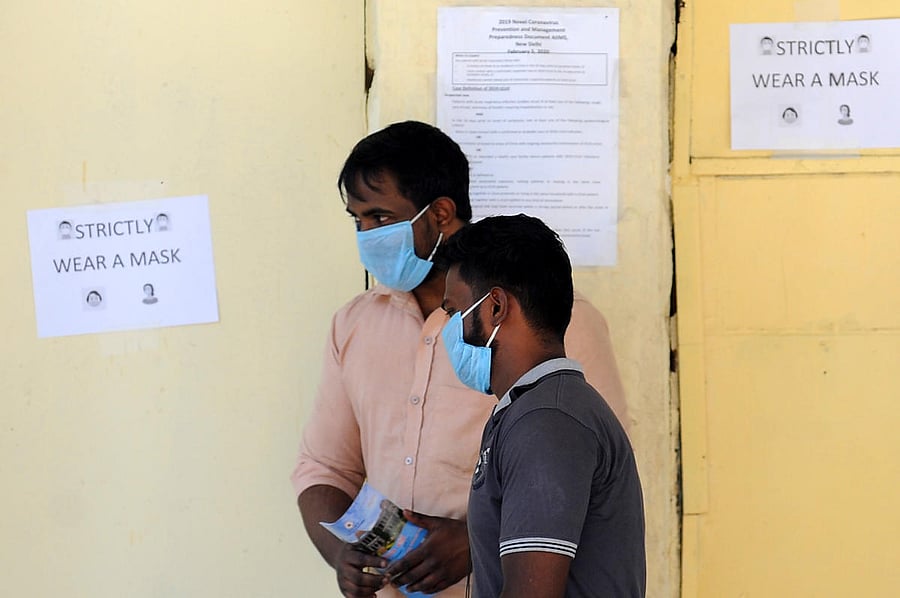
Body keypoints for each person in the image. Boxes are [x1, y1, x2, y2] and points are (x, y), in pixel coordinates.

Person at [291, 121, 628, 598]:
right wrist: (342, 554)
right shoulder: (354, 325)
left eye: (382, 218)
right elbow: (323, 469)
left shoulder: (555, 323)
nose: (367, 235)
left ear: (442, 214)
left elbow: (593, 478)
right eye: (357, 219)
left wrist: (475, 541)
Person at [438, 214, 645, 597]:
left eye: (453, 312)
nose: (446, 329)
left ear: (496, 306)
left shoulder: (547, 422)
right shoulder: (535, 409)